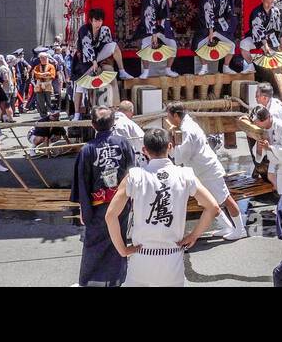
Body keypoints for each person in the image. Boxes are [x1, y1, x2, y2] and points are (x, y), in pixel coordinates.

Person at [103, 127, 221, 287]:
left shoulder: (135, 176)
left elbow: (110, 216)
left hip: (142, 257)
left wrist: (122, 250)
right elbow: (213, 207)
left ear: (144, 150)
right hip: (172, 259)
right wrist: (193, 235)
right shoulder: (185, 175)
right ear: (170, 147)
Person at [70, 106, 136, 287]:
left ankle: (90, 280)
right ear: (113, 122)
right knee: (118, 240)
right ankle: (116, 280)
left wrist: (83, 208)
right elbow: (133, 173)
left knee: (93, 243)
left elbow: (82, 182)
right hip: (120, 204)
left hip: (96, 205)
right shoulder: (123, 144)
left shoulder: (87, 149)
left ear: (92, 125)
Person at [164, 102, 247, 240]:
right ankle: (227, 226)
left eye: (169, 116)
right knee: (207, 202)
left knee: (225, 198)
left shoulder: (187, 129)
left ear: (176, 116)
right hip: (200, 170)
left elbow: (181, 156)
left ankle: (240, 229)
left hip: (208, 169)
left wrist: (171, 148)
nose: (168, 119)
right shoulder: (186, 125)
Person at [73, 8, 133, 112]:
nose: (98, 23)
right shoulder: (84, 29)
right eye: (96, 20)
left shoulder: (105, 30)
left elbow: (107, 44)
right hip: (83, 60)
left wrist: (104, 61)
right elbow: (86, 47)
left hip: (98, 58)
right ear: (91, 20)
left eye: (100, 20)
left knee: (114, 46)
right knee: (80, 86)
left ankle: (122, 71)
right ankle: (77, 114)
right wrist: (94, 62)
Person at [136, 0, 180, 77]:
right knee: (145, 45)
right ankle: (146, 71)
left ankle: (168, 69)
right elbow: (148, 17)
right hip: (149, 26)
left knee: (173, 45)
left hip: (164, 25)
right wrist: (154, 34)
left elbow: (174, 5)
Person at [196, 0, 241, 74]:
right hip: (206, 25)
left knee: (232, 44)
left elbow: (230, 3)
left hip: (220, 24)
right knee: (198, 44)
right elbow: (208, 14)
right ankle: (204, 66)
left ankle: (226, 66)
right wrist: (210, 31)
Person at [248, 104, 282, 193]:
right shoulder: (262, 129)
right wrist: (260, 147)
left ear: (268, 118)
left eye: (258, 122)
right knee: (271, 176)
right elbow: (258, 154)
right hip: (275, 160)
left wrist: (269, 147)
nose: (257, 125)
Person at [240, 0, 282, 72]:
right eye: (267, 2)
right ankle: (250, 66)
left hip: (273, 40)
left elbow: (281, 28)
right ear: (262, 0)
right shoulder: (256, 12)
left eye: (271, 2)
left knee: (275, 62)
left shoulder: (276, 11)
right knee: (243, 44)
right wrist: (266, 46)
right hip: (260, 39)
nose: (269, 5)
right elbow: (258, 31)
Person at [112, 100, 146, 166]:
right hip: (126, 160)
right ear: (130, 110)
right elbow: (142, 141)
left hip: (109, 159)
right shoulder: (129, 124)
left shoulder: (108, 122)